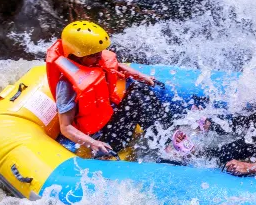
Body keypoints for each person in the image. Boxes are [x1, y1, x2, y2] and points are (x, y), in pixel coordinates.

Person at [46, 20, 170, 158]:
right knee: (137, 97)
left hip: (110, 118)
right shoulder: (66, 85)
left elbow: (115, 66)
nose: (100, 56)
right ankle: (166, 145)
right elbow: (65, 127)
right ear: (77, 55)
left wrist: (140, 75)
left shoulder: (94, 61)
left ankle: (169, 131)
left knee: (139, 88)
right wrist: (93, 143)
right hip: (103, 137)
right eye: (93, 55)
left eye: (100, 52)